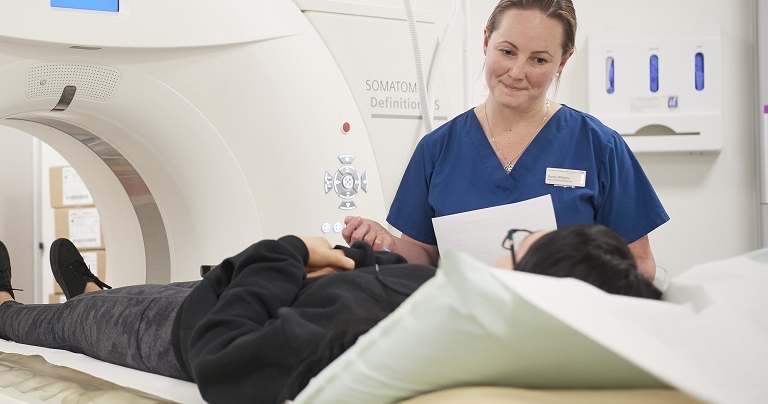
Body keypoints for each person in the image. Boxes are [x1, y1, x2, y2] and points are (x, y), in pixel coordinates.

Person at [0, 225, 659, 404]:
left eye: (517, 249)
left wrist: (287, 253)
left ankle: (10, 306)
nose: (501, 253)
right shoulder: (453, 303)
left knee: (54, 327)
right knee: (106, 302)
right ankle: (89, 290)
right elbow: (385, 281)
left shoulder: (406, 337)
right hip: (231, 288)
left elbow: (224, 359)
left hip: (179, 329)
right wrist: (347, 259)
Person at [343, 0, 669, 279]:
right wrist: (388, 244)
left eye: (539, 60)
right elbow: (424, 256)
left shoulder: (599, 146)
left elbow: (640, 263)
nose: (517, 72)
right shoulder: (438, 149)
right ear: (487, 41)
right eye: (507, 52)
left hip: (562, 329)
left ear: (562, 62)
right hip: (467, 327)